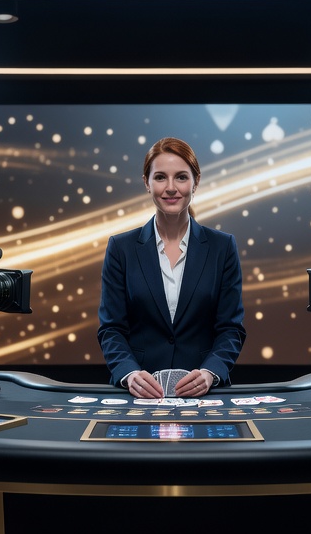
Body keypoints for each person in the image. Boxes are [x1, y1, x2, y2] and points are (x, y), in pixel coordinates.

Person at [97, 137, 246, 399]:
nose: (170, 188)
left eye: (181, 177)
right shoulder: (121, 248)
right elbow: (112, 329)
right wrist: (129, 374)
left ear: (195, 182)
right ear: (146, 182)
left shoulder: (223, 247)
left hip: (204, 394)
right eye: (160, 178)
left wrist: (210, 372)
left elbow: (230, 328)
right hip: (138, 394)